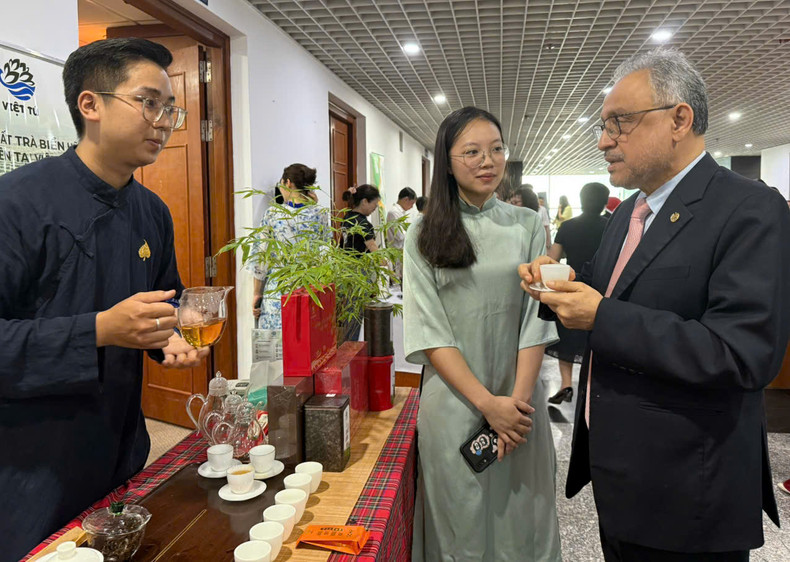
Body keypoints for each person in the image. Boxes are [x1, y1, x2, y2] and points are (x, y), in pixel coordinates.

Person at [520, 48, 790, 560]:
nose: (603, 141)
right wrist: (556, 286)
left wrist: (601, 315)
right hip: (621, 479)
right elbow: (607, 300)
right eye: (604, 125)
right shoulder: (629, 214)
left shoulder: (749, 209)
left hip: (689, 492)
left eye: (619, 123)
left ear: (679, 119)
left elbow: (743, 353)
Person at [0, 38, 210, 560]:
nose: (163, 121)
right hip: (31, 459)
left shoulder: (152, 211)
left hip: (120, 442)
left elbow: (167, 304)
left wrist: (174, 339)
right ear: (89, 104)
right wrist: (97, 330)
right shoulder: (17, 202)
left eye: (170, 108)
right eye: (149, 102)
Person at [404, 106, 561, 561]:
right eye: (471, 151)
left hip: (520, 402)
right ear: (447, 163)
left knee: (523, 522)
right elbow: (430, 331)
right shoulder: (423, 233)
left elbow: (537, 319)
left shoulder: (527, 225)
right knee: (461, 525)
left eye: (496, 149)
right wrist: (488, 405)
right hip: (456, 402)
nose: (487, 161)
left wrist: (513, 405)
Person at [545, 182, 609, 404]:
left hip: (573, 287)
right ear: (604, 202)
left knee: (568, 339)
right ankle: (590, 388)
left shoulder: (568, 227)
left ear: (582, 200)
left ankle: (566, 384)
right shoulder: (611, 226)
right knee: (597, 341)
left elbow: (552, 258)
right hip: (602, 291)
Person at [250, 163, 329, 328]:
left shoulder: (273, 214)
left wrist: (257, 293)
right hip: (309, 291)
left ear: (288, 183)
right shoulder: (320, 215)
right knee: (306, 345)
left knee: (277, 348)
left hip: (278, 293)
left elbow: (261, 257)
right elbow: (325, 254)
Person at [340, 184, 381, 341]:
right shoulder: (363, 224)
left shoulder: (347, 217)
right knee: (355, 316)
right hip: (358, 273)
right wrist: (387, 263)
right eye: (374, 205)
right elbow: (373, 251)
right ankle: (351, 351)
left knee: (348, 315)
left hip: (345, 271)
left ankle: (346, 347)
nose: (375, 209)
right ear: (364, 201)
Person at [385, 187, 416, 282]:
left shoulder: (401, 212)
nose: (412, 207)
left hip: (402, 250)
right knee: (397, 280)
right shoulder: (394, 212)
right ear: (406, 199)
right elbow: (400, 235)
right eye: (412, 204)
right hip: (396, 250)